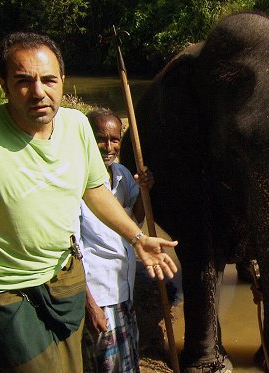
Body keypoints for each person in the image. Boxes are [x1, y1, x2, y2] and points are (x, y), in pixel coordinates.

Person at [0, 32, 177, 372]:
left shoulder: (76, 125)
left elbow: (96, 191)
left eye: (48, 79)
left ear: (62, 81)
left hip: (64, 273)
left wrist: (137, 238)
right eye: (24, 81)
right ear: (4, 84)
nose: (39, 92)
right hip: (4, 285)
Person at [80, 108, 150, 372]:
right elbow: (71, 248)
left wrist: (145, 188)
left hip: (123, 288)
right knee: (106, 365)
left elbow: (136, 218)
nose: (108, 146)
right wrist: (90, 304)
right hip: (99, 293)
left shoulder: (120, 174)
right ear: (87, 138)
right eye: (101, 138)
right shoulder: (77, 180)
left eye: (114, 139)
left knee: (127, 360)